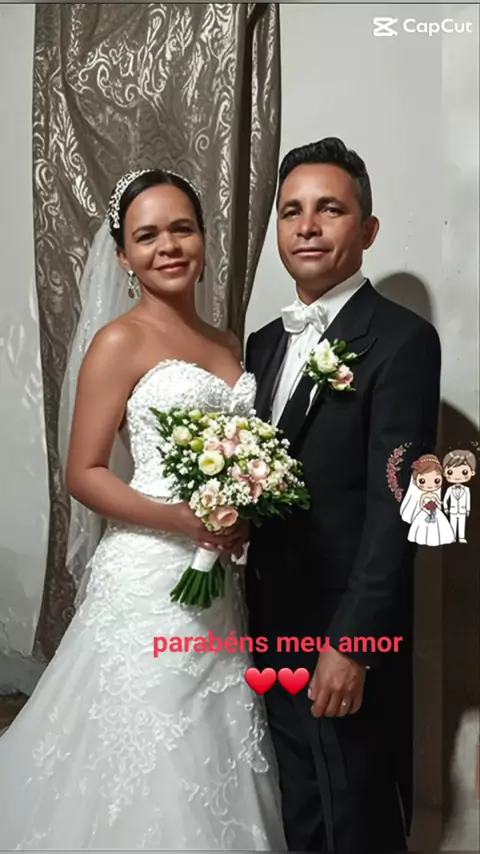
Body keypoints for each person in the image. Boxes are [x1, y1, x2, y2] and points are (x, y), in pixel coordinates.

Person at [0, 168, 286, 850]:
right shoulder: (118, 341)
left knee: (213, 736)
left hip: (217, 582)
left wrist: (240, 512)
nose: (168, 247)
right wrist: (185, 519)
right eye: (147, 235)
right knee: (149, 741)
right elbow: (84, 473)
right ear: (124, 256)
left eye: (182, 229)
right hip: (148, 577)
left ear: (204, 240)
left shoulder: (228, 343)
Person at [245, 137, 442, 852]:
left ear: (368, 229)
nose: (307, 226)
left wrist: (352, 643)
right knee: (299, 806)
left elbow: (400, 509)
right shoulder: (263, 344)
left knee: (356, 815)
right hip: (267, 623)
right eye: (291, 211)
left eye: (330, 209)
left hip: (343, 631)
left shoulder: (402, 340)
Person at [400, 454, 454, 546]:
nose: (429, 485)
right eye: (422, 481)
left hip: (435, 510)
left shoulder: (434, 494)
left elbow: (438, 500)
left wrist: (439, 504)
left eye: (436, 480)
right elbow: (421, 502)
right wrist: (425, 508)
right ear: (415, 480)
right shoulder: (423, 495)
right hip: (426, 510)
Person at [442, 448, 476, 542]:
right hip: (452, 510)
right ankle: (453, 537)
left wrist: (468, 509)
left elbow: (468, 500)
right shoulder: (449, 489)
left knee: (462, 523)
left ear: (472, 472)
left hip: (462, 510)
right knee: (452, 523)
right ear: (444, 473)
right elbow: (445, 499)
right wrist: (445, 507)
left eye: (464, 472)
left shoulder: (466, 489)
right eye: (450, 472)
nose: (457, 476)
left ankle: (461, 537)